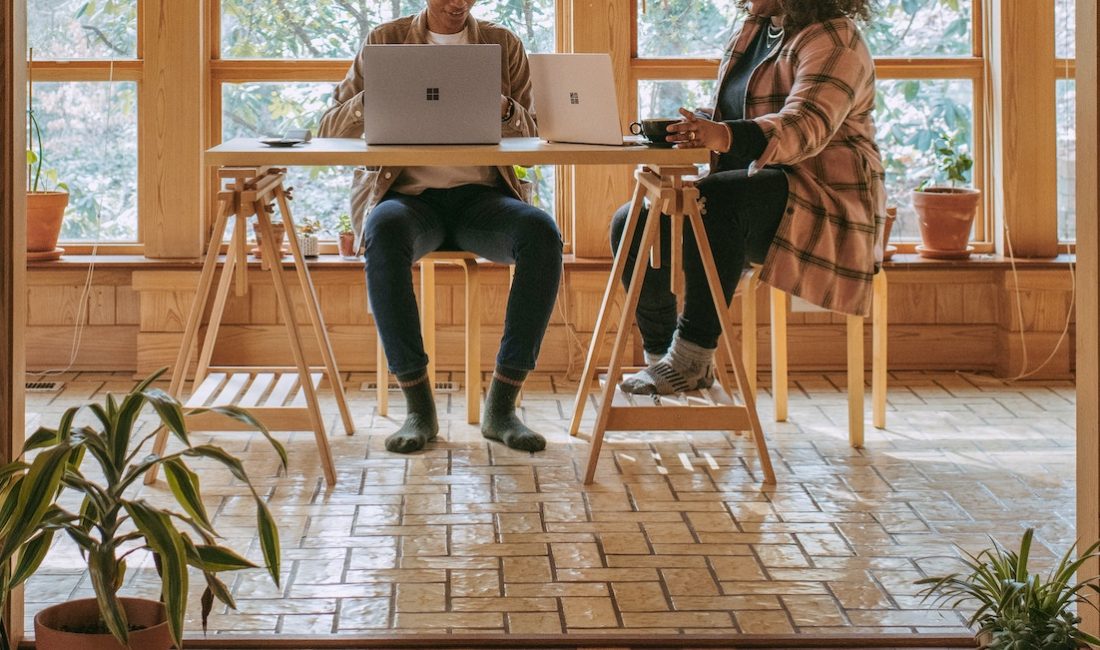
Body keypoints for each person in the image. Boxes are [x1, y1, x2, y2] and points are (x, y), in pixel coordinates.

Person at [319, 0, 563, 453]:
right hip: (408, 200)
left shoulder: (502, 44)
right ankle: (418, 408)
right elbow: (330, 129)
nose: (458, 3)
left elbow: (534, 140)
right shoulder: (384, 41)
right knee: (383, 229)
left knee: (542, 234)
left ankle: (503, 405)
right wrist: (378, 97)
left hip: (483, 202)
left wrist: (505, 110)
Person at [610, 0, 886, 395]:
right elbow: (735, 113)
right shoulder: (756, 29)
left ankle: (692, 358)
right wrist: (698, 127)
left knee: (716, 200)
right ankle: (662, 357)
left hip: (822, 200)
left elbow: (805, 125)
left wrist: (720, 135)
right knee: (633, 222)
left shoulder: (835, 39)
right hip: (754, 189)